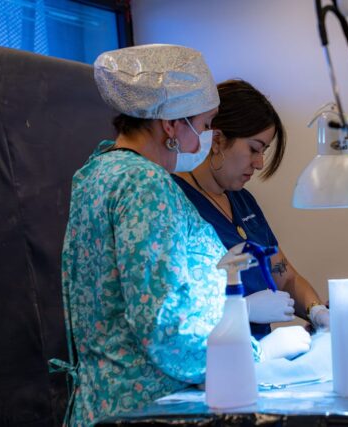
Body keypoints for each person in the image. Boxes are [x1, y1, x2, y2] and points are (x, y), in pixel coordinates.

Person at [57, 46, 308, 426]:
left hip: (105, 402)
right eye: (204, 126)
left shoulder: (97, 173)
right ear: (171, 125)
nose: (204, 141)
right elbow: (165, 327)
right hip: (147, 404)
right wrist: (254, 353)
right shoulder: (145, 185)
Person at [173, 79, 330, 339]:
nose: (259, 163)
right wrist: (240, 309)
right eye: (254, 149)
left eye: (263, 151)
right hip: (217, 355)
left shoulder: (242, 201)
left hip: (261, 355)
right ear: (217, 140)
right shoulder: (175, 202)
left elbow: (285, 278)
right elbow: (173, 310)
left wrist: (317, 311)